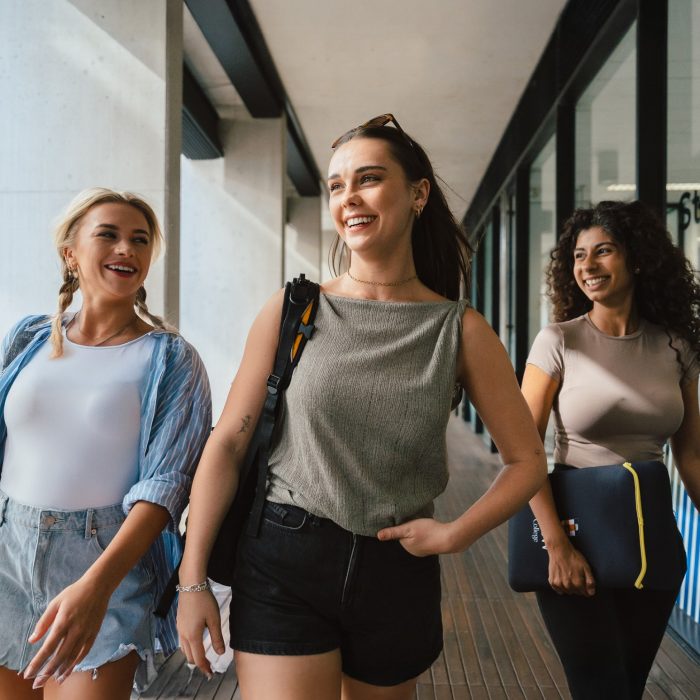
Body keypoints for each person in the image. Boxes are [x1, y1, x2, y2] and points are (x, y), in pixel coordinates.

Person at [176, 113, 547, 700]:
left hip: (397, 568)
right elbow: (228, 442)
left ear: (418, 193)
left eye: (369, 178)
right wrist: (192, 581)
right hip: (285, 555)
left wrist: (455, 535)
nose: (349, 197)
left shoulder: (461, 331)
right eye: (337, 185)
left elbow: (527, 460)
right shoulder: (293, 309)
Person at [0, 188, 212, 700]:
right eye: (109, 235)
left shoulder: (171, 360)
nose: (127, 249)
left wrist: (96, 587)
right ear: (70, 253)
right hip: (5, 554)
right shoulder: (27, 337)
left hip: (105, 562)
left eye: (140, 240)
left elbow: (166, 489)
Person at [521, 200, 700, 699]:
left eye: (604, 251)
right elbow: (521, 449)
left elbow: (692, 458)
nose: (588, 266)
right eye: (579, 256)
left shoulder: (677, 347)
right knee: (600, 688)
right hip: (577, 539)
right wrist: (556, 545)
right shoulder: (558, 341)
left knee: (628, 687)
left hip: (654, 542)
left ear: (638, 258)